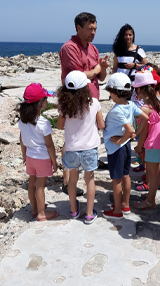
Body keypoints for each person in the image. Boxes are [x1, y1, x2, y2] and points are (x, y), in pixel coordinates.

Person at [59, 12, 109, 196]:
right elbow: (77, 76)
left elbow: (101, 77)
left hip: (92, 100)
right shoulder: (69, 48)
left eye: (95, 29)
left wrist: (102, 69)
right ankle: (68, 180)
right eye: (90, 29)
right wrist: (95, 69)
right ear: (79, 28)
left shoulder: (94, 49)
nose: (93, 32)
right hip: (75, 100)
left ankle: (88, 170)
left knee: (89, 134)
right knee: (71, 137)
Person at [57, 71, 105, 224]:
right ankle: (89, 213)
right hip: (90, 148)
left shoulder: (64, 106)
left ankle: (73, 210)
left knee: (72, 180)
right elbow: (101, 125)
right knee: (89, 180)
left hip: (72, 148)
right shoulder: (94, 103)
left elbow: (59, 125)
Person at [102, 73, 148, 219]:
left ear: (114, 93)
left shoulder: (116, 110)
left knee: (116, 179)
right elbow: (145, 118)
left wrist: (122, 139)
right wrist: (133, 136)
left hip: (117, 148)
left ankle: (116, 211)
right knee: (126, 175)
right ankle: (125, 205)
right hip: (127, 146)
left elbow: (129, 129)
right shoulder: (131, 105)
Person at [18, 83, 58, 221]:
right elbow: (49, 145)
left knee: (32, 183)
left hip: (30, 156)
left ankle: (35, 209)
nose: (47, 101)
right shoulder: (43, 123)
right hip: (42, 158)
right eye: (46, 99)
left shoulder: (22, 121)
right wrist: (54, 160)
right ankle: (42, 213)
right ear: (41, 103)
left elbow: (22, 139)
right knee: (40, 186)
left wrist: (24, 153)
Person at [133, 71, 160, 210]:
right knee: (156, 171)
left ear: (139, 89)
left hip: (152, 143)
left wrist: (139, 146)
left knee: (152, 175)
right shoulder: (157, 102)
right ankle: (150, 195)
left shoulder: (145, 108)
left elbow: (144, 130)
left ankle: (150, 201)